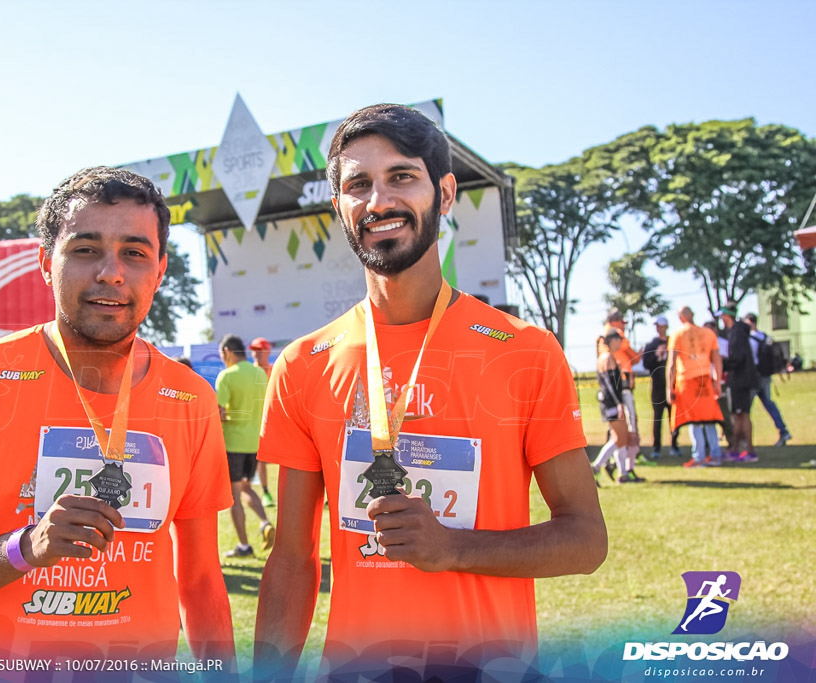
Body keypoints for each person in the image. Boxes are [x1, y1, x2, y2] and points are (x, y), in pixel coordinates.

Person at [254, 104, 607, 679]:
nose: (378, 202)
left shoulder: (524, 350)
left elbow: (585, 541)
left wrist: (454, 549)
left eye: (401, 177)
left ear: (444, 194)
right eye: (357, 185)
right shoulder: (301, 364)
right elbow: (292, 561)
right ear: (339, 207)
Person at [0, 166, 235, 667]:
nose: (111, 272)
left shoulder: (190, 397)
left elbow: (202, 578)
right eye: (85, 250)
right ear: (45, 263)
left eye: (134, 253)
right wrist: (25, 548)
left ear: (160, 270)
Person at [215, 334, 274, 557]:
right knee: (247, 488)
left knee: (234, 495)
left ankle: (244, 546)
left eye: (222, 355)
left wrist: (228, 418)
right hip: (255, 443)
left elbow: (219, 412)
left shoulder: (227, 376)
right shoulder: (260, 373)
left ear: (228, 351)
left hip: (233, 443)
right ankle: (264, 522)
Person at [667, 307, 724, 468]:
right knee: (709, 419)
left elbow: (671, 364)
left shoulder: (677, 335)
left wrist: (669, 388)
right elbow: (717, 360)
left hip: (687, 381)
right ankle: (715, 455)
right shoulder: (708, 334)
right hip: (705, 380)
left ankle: (699, 457)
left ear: (681, 318)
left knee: (694, 420)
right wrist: (717, 381)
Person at [591, 329, 642, 484]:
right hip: (611, 403)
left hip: (610, 402)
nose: (621, 343)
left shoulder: (605, 357)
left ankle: (622, 473)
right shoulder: (607, 358)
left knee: (619, 438)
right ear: (612, 341)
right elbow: (611, 384)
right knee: (620, 437)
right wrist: (619, 403)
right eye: (619, 340)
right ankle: (597, 466)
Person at [719, 304, 760, 462]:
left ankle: (745, 450)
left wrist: (723, 363)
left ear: (727, 316)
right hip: (741, 379)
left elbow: (737, 357)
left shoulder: (737, 333)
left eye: (722, 316)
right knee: (740, 415)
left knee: (741, 415)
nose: (721, 319)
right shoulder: (737, 332)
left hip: (740, 380)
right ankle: (740, 449)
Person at [744, 313, 791, 446]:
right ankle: (783, 431)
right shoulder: (765, 337)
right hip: (766, 376)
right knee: (769, 404)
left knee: (746, 408)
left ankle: (743, 438)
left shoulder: (751, 339)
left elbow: (751, 360)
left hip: (755, 376)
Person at [601, 309, 641, 463]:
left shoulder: (605, 348)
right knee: (626, 433)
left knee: (620, 435)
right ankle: (621, 468)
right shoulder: (610, 348)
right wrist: (619, 403)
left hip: (615, 395)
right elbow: (611, 382)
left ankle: (618, 467)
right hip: (618, 394)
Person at [641, 316, 680, 457]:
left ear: (666, 327)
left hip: (673, 386)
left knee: (674, 417)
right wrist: (657, 354)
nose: (659, 328)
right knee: (657, 418)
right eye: (657, 326)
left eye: (662, 325)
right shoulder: (651, 345)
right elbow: (646, 364)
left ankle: (675, 445)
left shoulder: (673, 341)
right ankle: (656, 447)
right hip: (658, 387)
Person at [248, 336, 275, 507]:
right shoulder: (250, 372)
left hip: (278, 421)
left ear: (267, 351)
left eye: (259, 350)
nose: (256, 354)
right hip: (257, 423)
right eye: (254, 350)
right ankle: (266, 493)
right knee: (261, 459)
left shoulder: (274, 370)